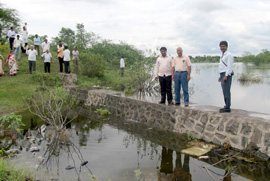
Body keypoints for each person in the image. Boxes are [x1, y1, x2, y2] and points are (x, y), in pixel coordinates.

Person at [218, 41, 234, 113]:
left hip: (226, 74)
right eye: (221, 46)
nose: (222, 48)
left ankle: (227, 107)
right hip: (222, 74)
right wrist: (220, 75)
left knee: (226, 91)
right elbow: (222, 66)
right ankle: (226, 105)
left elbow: (229, 67)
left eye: (223, 46)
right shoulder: (223, 55)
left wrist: (226, 75)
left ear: (226, 47)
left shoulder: (229, 55)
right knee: (224, 91)